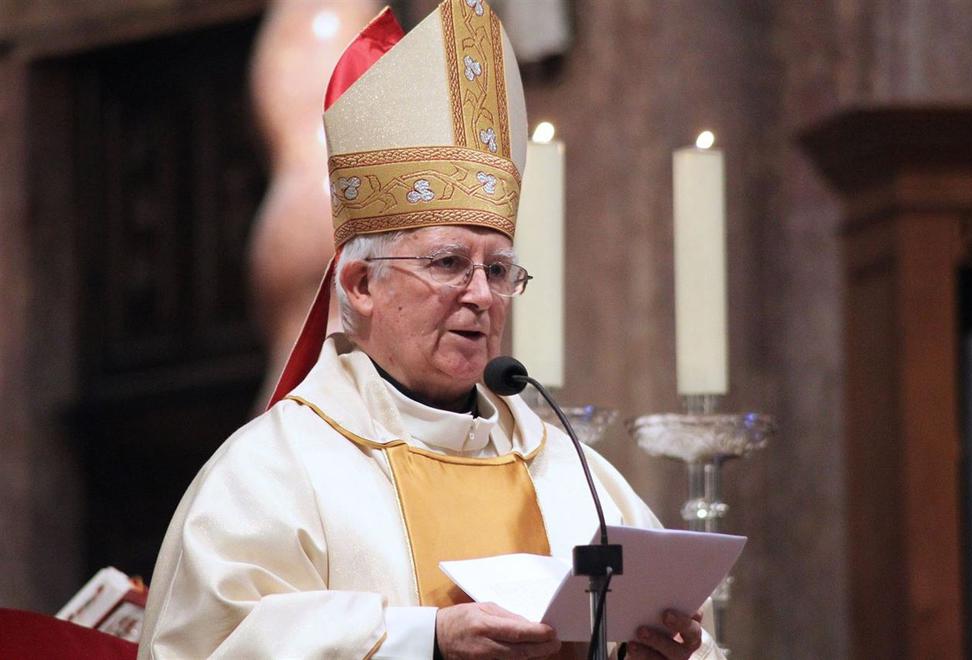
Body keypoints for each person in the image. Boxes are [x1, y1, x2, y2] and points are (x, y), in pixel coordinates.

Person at [138, 1, 724, 658]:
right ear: (361, 286)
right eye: (448, 264)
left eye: (498, 270)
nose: (481, 295)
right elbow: (207, 645)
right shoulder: (274, 473)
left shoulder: (574, 476)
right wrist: (428, 641)